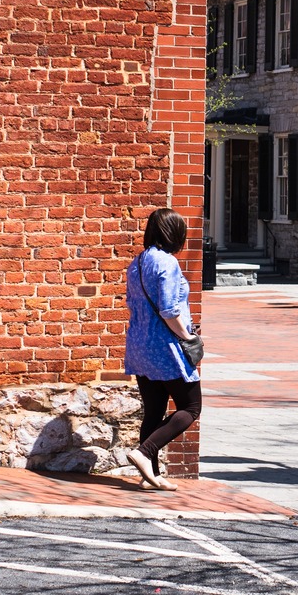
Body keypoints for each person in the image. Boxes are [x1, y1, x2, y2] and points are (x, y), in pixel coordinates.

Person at [121, 207, 200, 491]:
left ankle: (150, 475)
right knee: (190, 407)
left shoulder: (138, 262)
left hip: (139, 345)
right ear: (174, 234)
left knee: (153, 412)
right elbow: (169, 309)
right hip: (164, 347)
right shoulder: (167, 263)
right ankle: (144, 452)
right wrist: (188, 337)